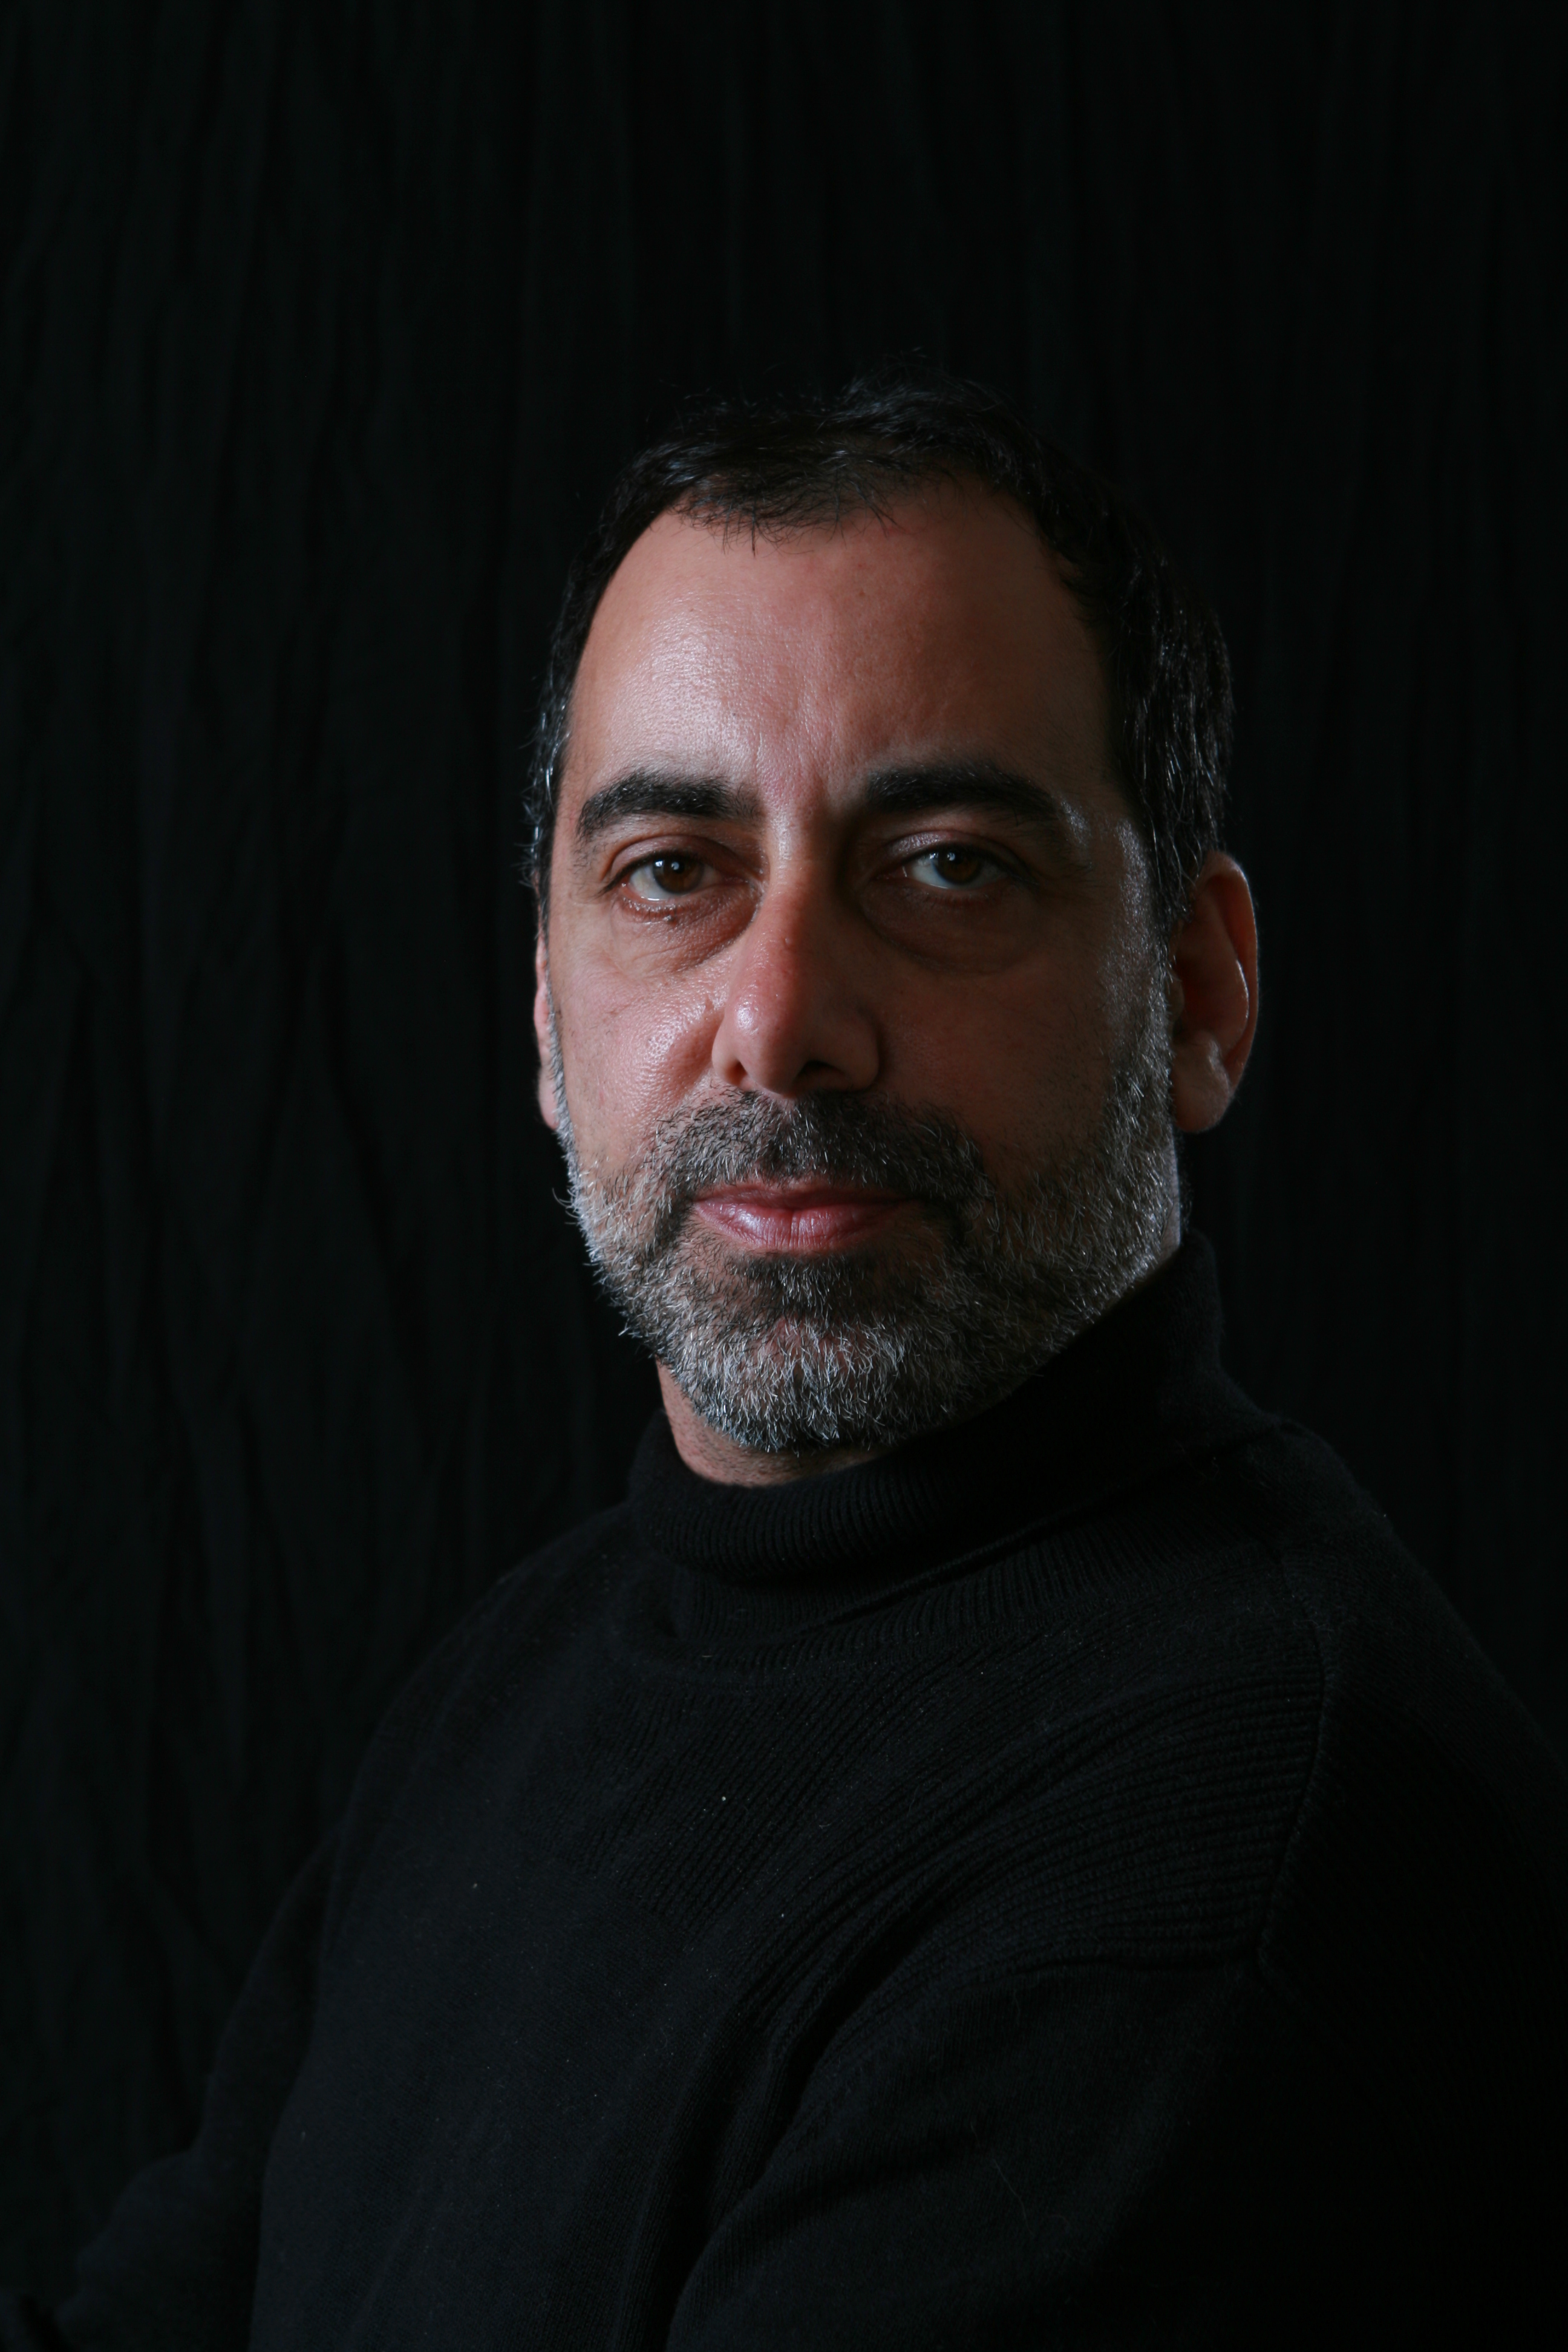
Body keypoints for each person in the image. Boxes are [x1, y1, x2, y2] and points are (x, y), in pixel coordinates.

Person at [6, 370, 1565, 2350]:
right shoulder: (527, 1678)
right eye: (674, 870)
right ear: (550, 1022)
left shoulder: (1225, 1859)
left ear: (1198, 990)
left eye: (947, 865)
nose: (783, 1019)